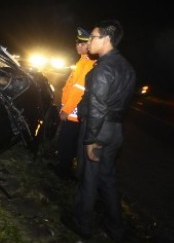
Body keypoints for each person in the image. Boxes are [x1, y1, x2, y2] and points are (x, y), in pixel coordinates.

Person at [61, 20, 136, 242]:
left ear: (106, 39)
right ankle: (116, 227)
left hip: (97, 130)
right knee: (108, 178)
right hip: (115, 130)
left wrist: (92, 139)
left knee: (88, 178)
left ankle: (81, 223)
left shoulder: (103, 68)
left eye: (93, 37)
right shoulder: (127, 67)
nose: (89, 41)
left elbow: (97, 106)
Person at [53, 27, 97, 180]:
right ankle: (63, 166)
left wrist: (67, 109)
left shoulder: (89, 63)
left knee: (67, 140)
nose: (78, 46)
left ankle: (64, 171)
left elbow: (79, 90)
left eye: (82, 44)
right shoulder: (82, 61)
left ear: (90, 45)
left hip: (73, 112)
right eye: (77, 43)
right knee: (67, 140)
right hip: (70, 109)